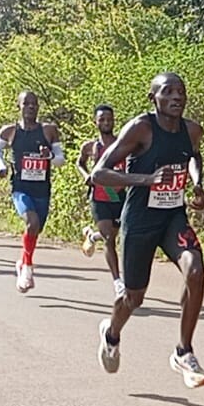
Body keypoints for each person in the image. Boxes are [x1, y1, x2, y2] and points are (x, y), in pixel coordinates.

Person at [91, 73, 204, 389]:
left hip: (172, 218)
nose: (176, 97)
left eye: (181, 92)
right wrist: (146, 180)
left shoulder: (192, 130)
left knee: (196, 270)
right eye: (167, 92)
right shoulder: (141, 129)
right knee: (133, 298)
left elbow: (193, 156)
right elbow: (99, 173)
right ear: (153, 98)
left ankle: (184, 352)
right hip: (140, 221)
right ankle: (111, 334)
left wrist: (197, 183)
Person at [0, 91, 64, 293]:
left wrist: (49, 156)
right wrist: (1, 166)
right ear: (19, 106)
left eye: (34, 103)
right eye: (26, 103)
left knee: (36, 229)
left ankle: (22, 262)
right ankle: (27, 268)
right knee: (32, 222)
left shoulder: (49, 130)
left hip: (42, 190)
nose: (31, 107)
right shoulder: (10, 131)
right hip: (20, 188)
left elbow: (60, 160)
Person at [77, 104, 126, 297]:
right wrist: (86, 176)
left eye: (109, 119)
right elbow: (80, 162)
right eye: (102, 119)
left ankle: (91, 236)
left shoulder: (123, 144)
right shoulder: (90, 146)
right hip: (99, 197)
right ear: (95, 122)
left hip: (119, 196)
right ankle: (118, 282)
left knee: (113, 233)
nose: (106, 122)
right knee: (109, 239)